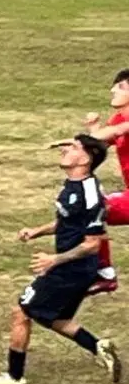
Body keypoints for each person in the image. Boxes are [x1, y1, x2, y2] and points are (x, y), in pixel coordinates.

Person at [0, 134, 122, 384]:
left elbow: (93, 243)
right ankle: (98, 346)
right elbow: (67, 223)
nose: (65, 150)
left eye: (73, 147)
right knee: (53, 318)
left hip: (72, 269)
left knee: (22, 311)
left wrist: (54, 260)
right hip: (72, 268)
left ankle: (14, 376)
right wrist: (37, 231)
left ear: (87, 159)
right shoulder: (73, 185)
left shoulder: (89, 195)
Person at [77, 67, 129, 295]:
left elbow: (118, 131)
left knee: (94, 207)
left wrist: (87, 137)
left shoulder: (122, 122)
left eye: (121, 87)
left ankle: (103, 273)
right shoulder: (119, 117)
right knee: (92, 207)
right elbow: (99, 146)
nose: (113, 90)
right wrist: (93, 131)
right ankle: (103, 272)